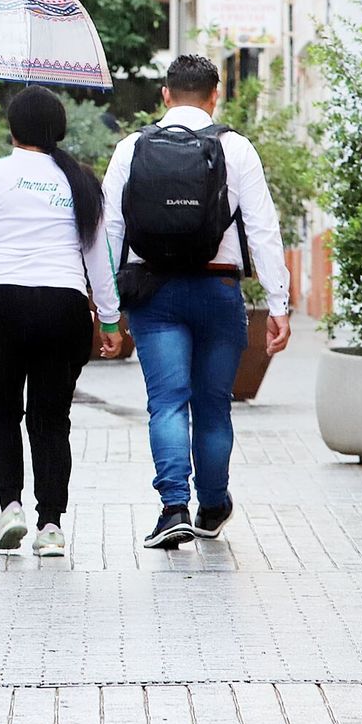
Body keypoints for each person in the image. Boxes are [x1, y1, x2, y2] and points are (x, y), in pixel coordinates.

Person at [101, 54, 292, 550]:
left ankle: (172, 509)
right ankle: (211, 505)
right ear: (215, 96)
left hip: (153, 293)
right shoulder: (236, 148)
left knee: (167, 402)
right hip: (218, 291)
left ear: (165, 95)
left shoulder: (131, 148)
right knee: (213, 407)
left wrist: (107, 308)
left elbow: (110, 231)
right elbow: (263, 229)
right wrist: (279, 304)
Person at [0, 88, 124, 558]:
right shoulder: (80, 181)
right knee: (51, 418)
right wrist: (110, 319)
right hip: (63, 305)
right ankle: (50, 525)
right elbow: (99, 258)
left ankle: (10, 506)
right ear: (58, 129)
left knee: (1, 411)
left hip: (3, 303)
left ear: (12, 128)